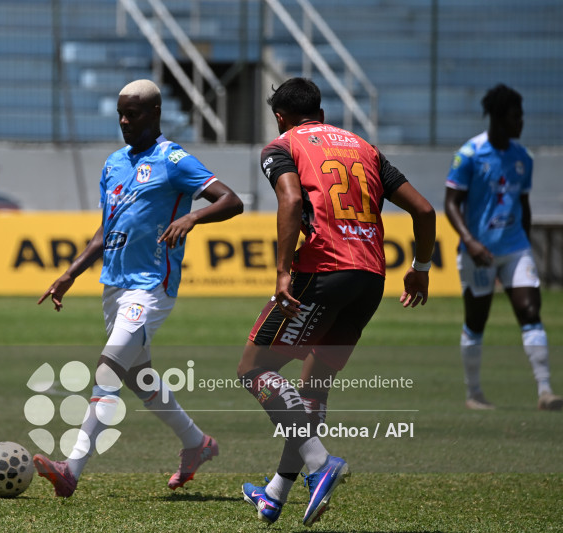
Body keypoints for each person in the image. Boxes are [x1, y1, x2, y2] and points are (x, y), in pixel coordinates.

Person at [238, 78, 436, 526]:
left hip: (323, 270)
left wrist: (283, 271)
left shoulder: (282, 146)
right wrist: (421, 267)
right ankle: (275, 493)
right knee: (313, 385)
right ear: (322, 114)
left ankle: (320, 462)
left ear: (280, 118)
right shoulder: (365, 149)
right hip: (370, 278)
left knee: (253, 368)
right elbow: (424, 210)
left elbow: (291, 200)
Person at [33, 79, 244, 497]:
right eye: (120, 115)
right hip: (114, 286)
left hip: (150, 287)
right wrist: (71, 273)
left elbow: (231, 200)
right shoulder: (114, 163)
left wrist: (191, 218)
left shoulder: (174, 160)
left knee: (108, 368)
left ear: (155, 113)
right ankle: (197, 443)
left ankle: (71, 469)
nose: (125, 122)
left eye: (132, 114)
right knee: (139, 378)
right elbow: (104, 231)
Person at [445, 83, 563, 411]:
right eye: (516, 116)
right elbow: (451, 203)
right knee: (476, 321)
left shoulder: (523, 158)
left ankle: (545, 391)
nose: (521, 122)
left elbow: (523, 205)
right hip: (478, 252)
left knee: (530, 310)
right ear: (498, 118)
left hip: (515, 248)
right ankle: (474, 394)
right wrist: (470, 242)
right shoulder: (470, 154)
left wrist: (525, 244)